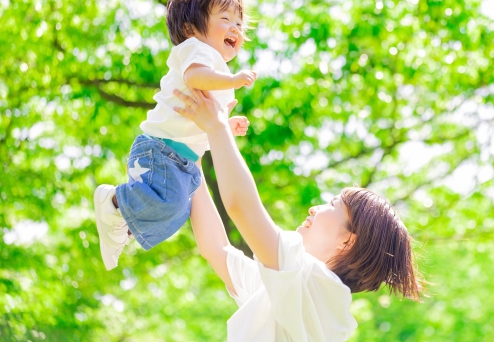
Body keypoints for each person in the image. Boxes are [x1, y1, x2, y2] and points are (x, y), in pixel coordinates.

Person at [173, 87, 423, 342]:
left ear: (348, 241)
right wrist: (194, 153)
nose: (315, 208)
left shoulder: (320, 291)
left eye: (333, 205)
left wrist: (217, 128)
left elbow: (241, 207)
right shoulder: (293, 289)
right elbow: (216, 249)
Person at [93, 0, 258, 270]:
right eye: (225, 19)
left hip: (180, 159)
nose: (235, 27)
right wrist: (232, 79)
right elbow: (194, 76)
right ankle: (115, 201)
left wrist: (225, 129)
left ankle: (124, 222)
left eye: (239, 23)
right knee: (169, 203)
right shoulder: (197, 51)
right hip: (160, 150)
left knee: (178, 213)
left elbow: (202, 127)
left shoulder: (216, 70)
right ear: (190, 28)